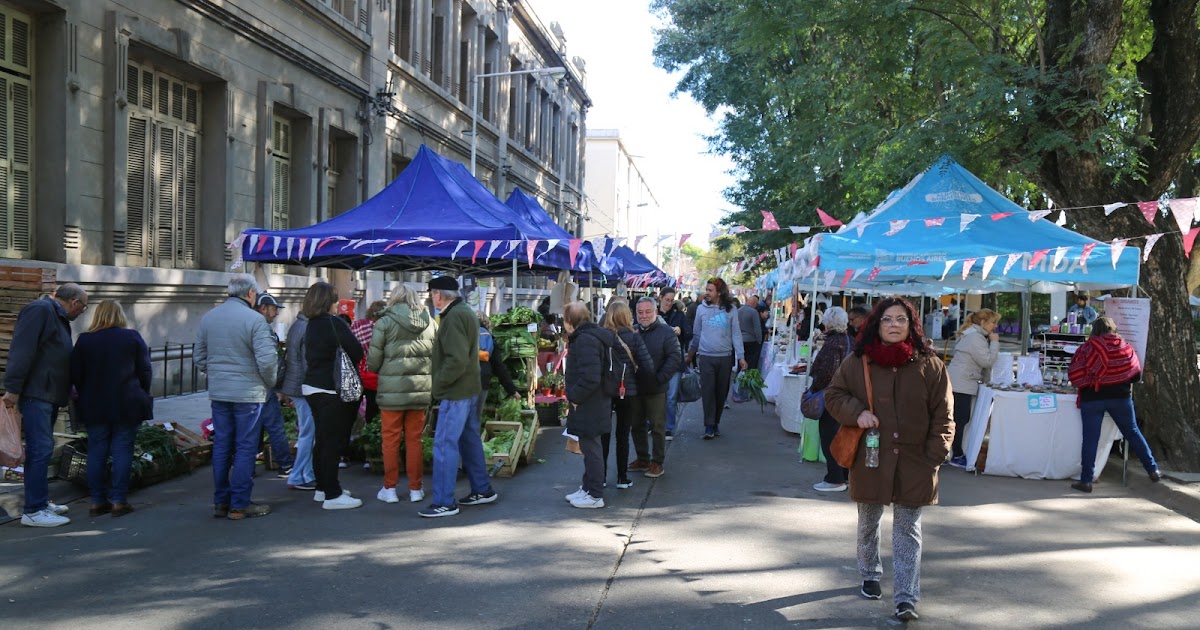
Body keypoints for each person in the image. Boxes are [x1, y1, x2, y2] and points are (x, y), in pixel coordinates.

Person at [824, 297, 954, 623]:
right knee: (868, 519)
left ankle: (906, 597)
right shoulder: (859, 362)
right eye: (887, 319)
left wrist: (935, 455)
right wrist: (858, 413)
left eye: (900, 319)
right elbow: (834, 395)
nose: (894, 325)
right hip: (871, 456)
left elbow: (944, 414)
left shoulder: (930, 364)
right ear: (877, 324)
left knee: (908, 529)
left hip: (916, 459)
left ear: (911, 325)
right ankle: (869, 572)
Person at [195, 274, 279, 520]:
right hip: (248, 393)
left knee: (222, 445)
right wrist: (269, 383)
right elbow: (267, 361)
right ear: (251, 294)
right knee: (245, 447)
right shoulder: (255, 320)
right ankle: (240, 504)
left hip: (221, 393)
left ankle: (221, 502)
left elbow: (199, 357)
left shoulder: (209, 317)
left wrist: (218, 374)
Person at [3, 283, 87, 527]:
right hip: (37, 393)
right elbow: (22, 349)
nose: (82, 311)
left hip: (47, 393)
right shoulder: (40, 310)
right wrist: (13, 388)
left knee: (43, 448)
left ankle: (39, 501)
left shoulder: (54, 315)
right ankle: (34, 509)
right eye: (84, 307)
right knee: (40, 449)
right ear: (74, 302)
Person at [421, 276, 497, 518]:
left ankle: (444, 502)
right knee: (469, 440)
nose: (432, 298)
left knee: (445, 444)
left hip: (456, 391)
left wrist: (438, 384)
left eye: (432, 293)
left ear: (438, 295)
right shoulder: (464, 311)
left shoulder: (453, 316)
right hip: (469, 387)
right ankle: (482, 489)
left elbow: (456, 359)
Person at [69, 301, 152, 518]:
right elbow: (145, 370)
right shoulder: (132, 337)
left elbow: (75, 373)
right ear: (120, 315)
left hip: (94, 404)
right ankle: (119, 500)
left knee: (96, 450)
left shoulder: (85, 340)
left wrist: (86, 392)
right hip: (127, 402)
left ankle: (97, 501)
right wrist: (142, 391)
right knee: (122, 449)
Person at [1066, 317, 1160, 493]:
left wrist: (1095, 379)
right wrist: (1116, 378)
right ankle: (1152, 469)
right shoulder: (1125, 347)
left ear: (1094, 330)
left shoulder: (1086, 348)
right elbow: (1135, 375)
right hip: (1120, 399)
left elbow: (1074, 374)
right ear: (1113, 329)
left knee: (1090, 439)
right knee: (1132, 432)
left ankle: (1086, 481)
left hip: (1092, 399)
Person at [367, 285, 434, 504]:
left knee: (390, 440)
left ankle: (390, 489)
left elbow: (373, 361)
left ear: (394, 298)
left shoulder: (384, 322)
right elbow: (437, 355)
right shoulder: (429, 322)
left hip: (392, 391)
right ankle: (416, 488)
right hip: (420, 389)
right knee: (415, 440)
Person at [302, 281, 365, 511]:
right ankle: (332, 494)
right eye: (335, 299)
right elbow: (357, 351)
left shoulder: (310, 325)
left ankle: (322, 487)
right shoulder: (334, 323)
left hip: (312, 387)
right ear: (328, 301)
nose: (338, 304)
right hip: (332, 389)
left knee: (321, 439)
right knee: (333, 443)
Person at [562, 302, 613, 508]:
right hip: (593, 401)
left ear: (570, 321)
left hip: (589, 403)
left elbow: (590, 376)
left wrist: (574, 397)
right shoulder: (588, 336)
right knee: (588, 447)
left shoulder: (585, 340)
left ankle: (595, 495)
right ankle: (588, 488)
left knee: (591, 449)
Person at [600, 301, 654, 489]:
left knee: (604, 434)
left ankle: (601, 477)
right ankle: (622, 478)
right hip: (627, 390)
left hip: (605, 390)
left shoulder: (602, 337)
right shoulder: (634, 337)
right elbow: (648, 365)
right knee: (623, 434)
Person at [686, 277, 747, 439]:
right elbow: (696, 334)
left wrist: (741, 357)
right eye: (706, 290)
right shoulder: (701, 309)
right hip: (705, 357)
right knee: (707, 392)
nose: (706, 293)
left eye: (710, 290)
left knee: (721, 392)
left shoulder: (731, 310)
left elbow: (736, 334)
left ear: (719, 292)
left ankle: (716, 422)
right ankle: (708, 425)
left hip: (725, 358)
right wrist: (690, 354)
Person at [632, 297, 681, 478]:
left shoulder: (666, 332)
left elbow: (675, 357)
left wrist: (660, 378)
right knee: (636, 425)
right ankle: (642, 458)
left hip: (656, 388)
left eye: (648, 312)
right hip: (635, 387)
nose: (644, 316)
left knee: (657, 427)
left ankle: (657, 462)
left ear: (656, 312)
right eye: (640, 312)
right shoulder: (633, 331)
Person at [807, 307, 854, 492]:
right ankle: (844, 476)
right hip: (849, 397)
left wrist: (813, 388)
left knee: (830, 437)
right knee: (843, 437)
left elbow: (825, 373)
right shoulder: (851, 340)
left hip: (833, 397)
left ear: (828, 323)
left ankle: (835, 479)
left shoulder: (833, 343)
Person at [946, 308, 1000, 467]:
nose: (995, 326)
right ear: (983, 322)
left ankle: (951, 453)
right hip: (962, 383)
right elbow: (987, 361)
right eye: (993, 322)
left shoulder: (969, 334)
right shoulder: (976, 337)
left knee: (956, 419)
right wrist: (995, 342)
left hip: (958, 381)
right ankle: (956, 454)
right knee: (960, 420)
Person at [254, 293, 294, 476]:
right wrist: (275, 385)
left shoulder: (250, 326)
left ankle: (247, 466)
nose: (276, 313)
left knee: (251, 428)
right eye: (274, 309)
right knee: (275, 427)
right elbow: (270, 362)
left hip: (253, 386)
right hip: (264, 386)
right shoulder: (263, 329)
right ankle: (285, 465)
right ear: (263, 308)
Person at [280, 298, 316, 492]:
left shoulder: (298, 324)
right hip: (304, 387)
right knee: (308, 433)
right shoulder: (307, 327)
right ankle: (299, 475)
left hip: (297, 385)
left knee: (307, 431)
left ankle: (305, 473)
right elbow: (307, 362)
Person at [658, 288, 690, 439]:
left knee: (671, 397)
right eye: (667, 300)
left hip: (674, 361)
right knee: (656, 396)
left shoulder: (679, 315)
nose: (669, 303)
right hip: (656, 361)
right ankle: (655, 423)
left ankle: (669, 427)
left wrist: (681, 330)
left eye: (671, 300)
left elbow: (689, 334)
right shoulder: (653, 313)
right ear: (660, 298)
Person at [478, 311, 520, 415]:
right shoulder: (488, 337)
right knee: (475, 415)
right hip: (481, 379)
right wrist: (512, 390)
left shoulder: (463, 334)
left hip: (462, 380)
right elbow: (499, 367)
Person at [738, 295, 764, 371]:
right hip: (751, 340)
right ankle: (748, 375)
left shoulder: (738, 310)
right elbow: (757, 327)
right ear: (755, 303)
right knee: (750, 362)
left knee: (741, 360)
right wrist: (759, 340)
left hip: (740, 340)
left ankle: (740, 375)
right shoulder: (754, 312)